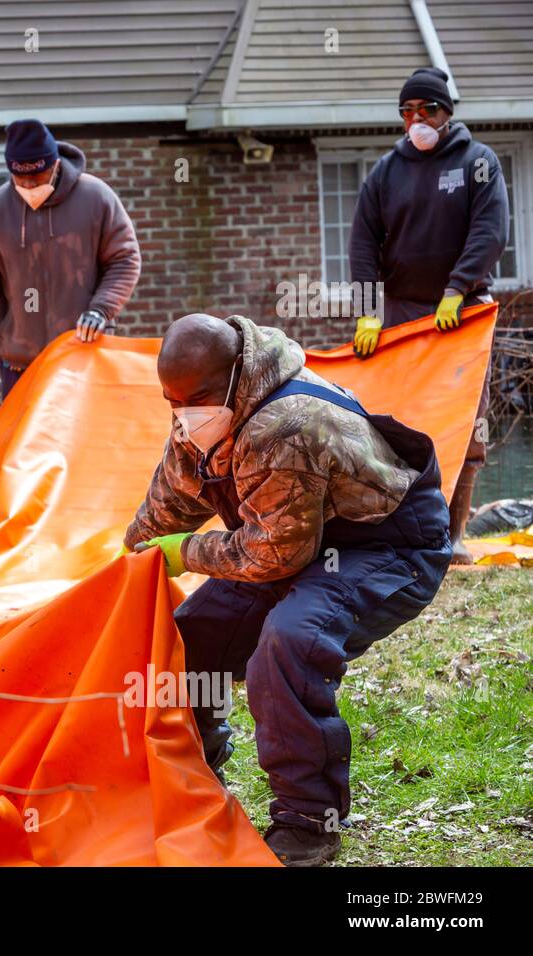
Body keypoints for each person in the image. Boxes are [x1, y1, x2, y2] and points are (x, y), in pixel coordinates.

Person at [123, 313, 450, 866]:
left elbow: (275, 555)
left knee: (288, 644)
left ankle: (307, 822)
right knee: (188, 639)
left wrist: (186, 553)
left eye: (195, 398)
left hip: (385, 546)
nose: (183, 414)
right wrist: (131, 560)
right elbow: (170, 503)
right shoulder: (201, 414)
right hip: (291, 537)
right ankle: (193, 773)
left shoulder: (287, 423)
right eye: (170, 401)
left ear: (235, 376)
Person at [348, 66, 509, 563]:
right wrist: (369, 309)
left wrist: (457, 289)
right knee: (394, 423)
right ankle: (396, 533)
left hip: (460, 318)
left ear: (447, 113)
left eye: (428, 110)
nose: (417, 119)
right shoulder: (386, 171)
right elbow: (362, 243)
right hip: (399, 315)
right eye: (408, 112)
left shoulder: (478, 162)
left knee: (465, 423)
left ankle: (452, 535)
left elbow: (490, 229)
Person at [0, 119, 141, 405]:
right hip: (21, 363)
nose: (28, 186)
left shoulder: (96, 198)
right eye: (20, 179)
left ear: (55, 165)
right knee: (26, 449)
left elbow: (125, 258)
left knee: (84, 446)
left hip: (85, 353)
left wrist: (101, 310)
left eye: (36, 179)